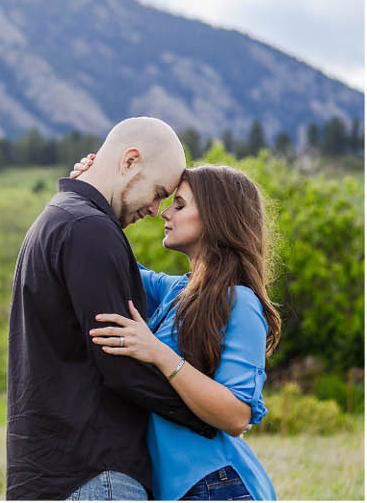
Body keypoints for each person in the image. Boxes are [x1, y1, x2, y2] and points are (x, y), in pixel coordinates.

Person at [7, 117, 218, 500]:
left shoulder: (60, 220)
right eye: (157, 192)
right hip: (94, 475)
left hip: (50, 475)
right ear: (129, 161)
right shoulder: (89, 230)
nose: (156, 210)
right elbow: (121, 364)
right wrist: (206, 416)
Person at [88, 160, 281, 501]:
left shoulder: (239, 302)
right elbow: (104, 256)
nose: (164, 213)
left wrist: (160, 355)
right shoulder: (174, 291)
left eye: (179, 205)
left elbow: (237, 416)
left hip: (217, 485)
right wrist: (92, 186)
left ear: (216, 217)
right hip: (176, 490)